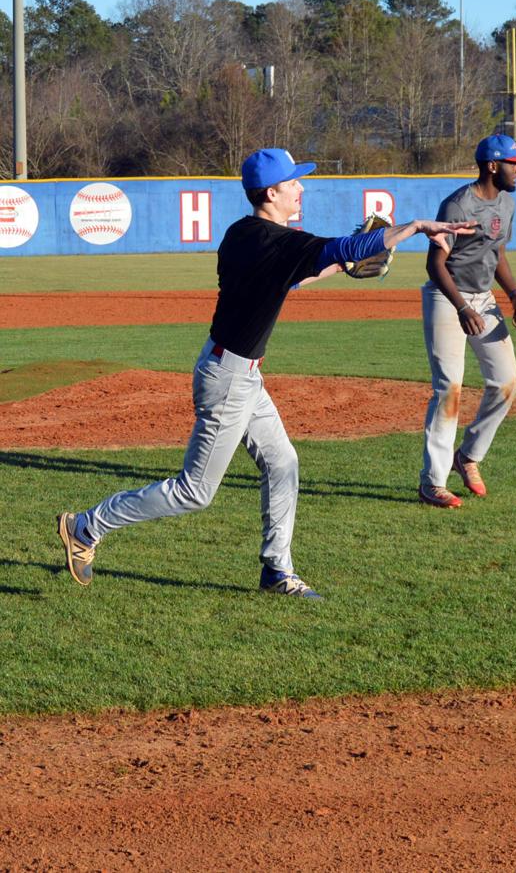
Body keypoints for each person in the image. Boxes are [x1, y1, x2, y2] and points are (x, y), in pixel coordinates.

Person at [56, 148, 474, 598]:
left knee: (283, 463)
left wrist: (337, 263)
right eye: (293, 182)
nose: (301, 188)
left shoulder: (246, 234)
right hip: (229, 378)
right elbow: (340, 248)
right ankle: (85, 526)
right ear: (271, 192)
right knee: (194, 490)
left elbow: (293, 275)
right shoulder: (275, 241)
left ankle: (277, 569)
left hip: (237, 372)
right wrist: (412, 228)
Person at [418, 133, 516, 508]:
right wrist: (461, 308)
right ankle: (432, 482)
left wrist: (515, 295)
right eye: (513, 163)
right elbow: (435, 265)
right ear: (492, 166)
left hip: (483, 299)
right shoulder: (456, 206)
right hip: (446, 296)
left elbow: (495, 251)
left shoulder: (507, 203)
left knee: (506, 382)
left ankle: (467, 457)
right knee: (448, 387)